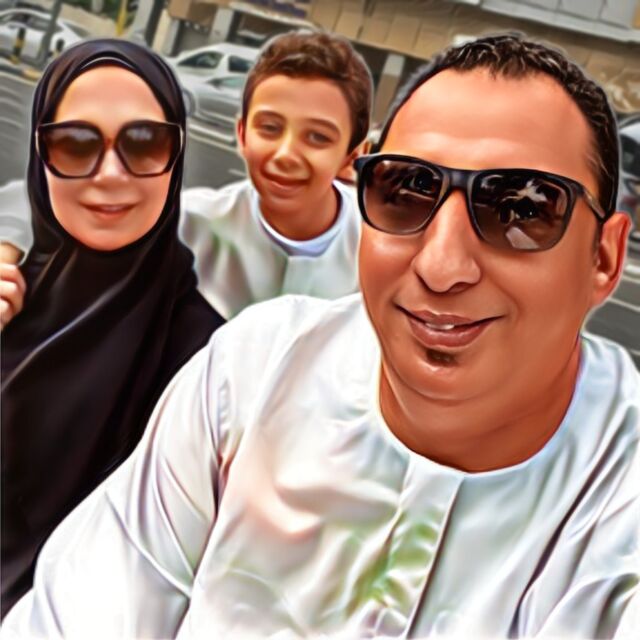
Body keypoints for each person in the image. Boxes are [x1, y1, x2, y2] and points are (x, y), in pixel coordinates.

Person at [3, 33, 638, 638]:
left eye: (522, 209)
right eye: (407, 190)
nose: (442, 266)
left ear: (605, 259)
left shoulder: (619, 510)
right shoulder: (251, 373)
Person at [0, 39, 224, 617]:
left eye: (144, 143)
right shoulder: (9, 295)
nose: (110, 173)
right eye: (75, 144)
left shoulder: (212, 365)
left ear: (177, 156)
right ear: (39, 154)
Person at [0, 29, 373, 322]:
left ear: (353, 156)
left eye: (318, 137)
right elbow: (40, 196)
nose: (286, 154)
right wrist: (6, 251)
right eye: (270, 128)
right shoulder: (195, 221)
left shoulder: (379, 248)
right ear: (242, 135)